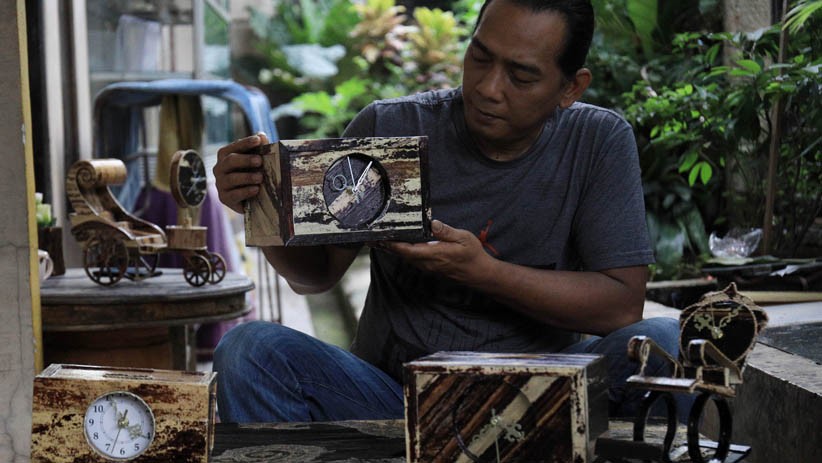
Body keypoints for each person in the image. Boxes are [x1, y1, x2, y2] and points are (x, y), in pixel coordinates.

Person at [212, 0, 682, 424]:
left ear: (570, 88)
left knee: (667, 338)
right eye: (479, 57)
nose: (488, 88)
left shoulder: (596, 141)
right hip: (394, 399)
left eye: (521, 76)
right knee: (250, 349)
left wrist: (486, 273)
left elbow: (621, 305)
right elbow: (314, 279)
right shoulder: (392, 127)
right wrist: (262, 205)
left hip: (544, 399)